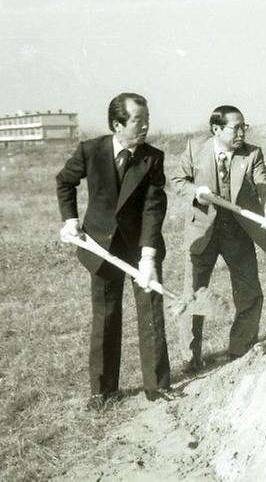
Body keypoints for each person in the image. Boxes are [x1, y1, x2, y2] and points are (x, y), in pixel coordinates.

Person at [56, 92, 172, 408]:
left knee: (151, 314)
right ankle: (103, 393)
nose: (145, 126)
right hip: (101, 246)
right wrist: (70, 220)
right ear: (117, 124)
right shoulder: (90, 151)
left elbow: (153, 206)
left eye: (147, 119)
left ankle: (157, 387)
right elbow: (65, 182)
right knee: (105, 316)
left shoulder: (153, 157)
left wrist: (147, 256)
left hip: (140, 248)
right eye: (138, 120)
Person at [171, 105, 266, 373]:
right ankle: (190, 358)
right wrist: (197, 192)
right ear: (216, 129)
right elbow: (176, 180)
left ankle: (240, 350)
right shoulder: (195, 148)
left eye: (245, 126)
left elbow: (265, 184)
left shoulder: (251, 153)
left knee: (250, 293)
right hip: (202, 232)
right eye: (236, 127)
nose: (242, 132)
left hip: (237, 232)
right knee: (193, 296)